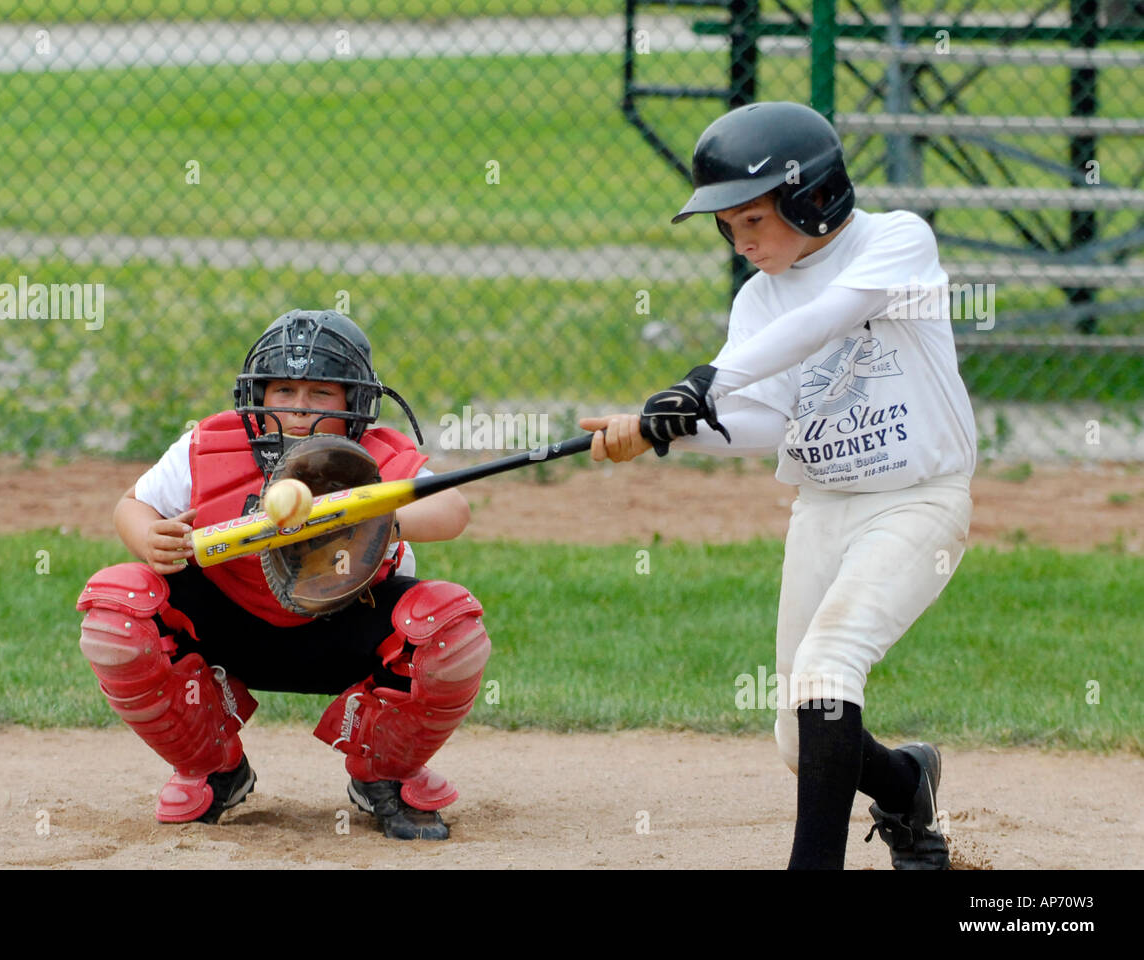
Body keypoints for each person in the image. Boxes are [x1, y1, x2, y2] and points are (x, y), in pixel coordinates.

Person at [580, 101, 976, 869]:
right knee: (803, 738)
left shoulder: (895, 242)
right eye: (728, 226)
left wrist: (703, 380)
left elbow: (832, 317)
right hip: (822, 505)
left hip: (917, 500)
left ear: (814, 196)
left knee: (830, 668)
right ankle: (905, 784)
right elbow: (765, 422)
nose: (742, 241)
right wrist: (672, 429)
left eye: (753, 219)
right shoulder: (758, 298)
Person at [76, 308, 487, 840]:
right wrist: (148, 537)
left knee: (449, 626)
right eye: (284, 390)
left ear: (356, 401)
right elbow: (132, 505)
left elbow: (453, 511)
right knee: (118, 604)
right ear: (258, 394)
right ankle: (212, 765)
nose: (299, 409)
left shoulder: (377, 458)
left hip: (346, 627)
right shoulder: (213, 445)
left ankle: (383, 772)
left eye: (321, 394)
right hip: (230, 624)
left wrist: (378, 520)